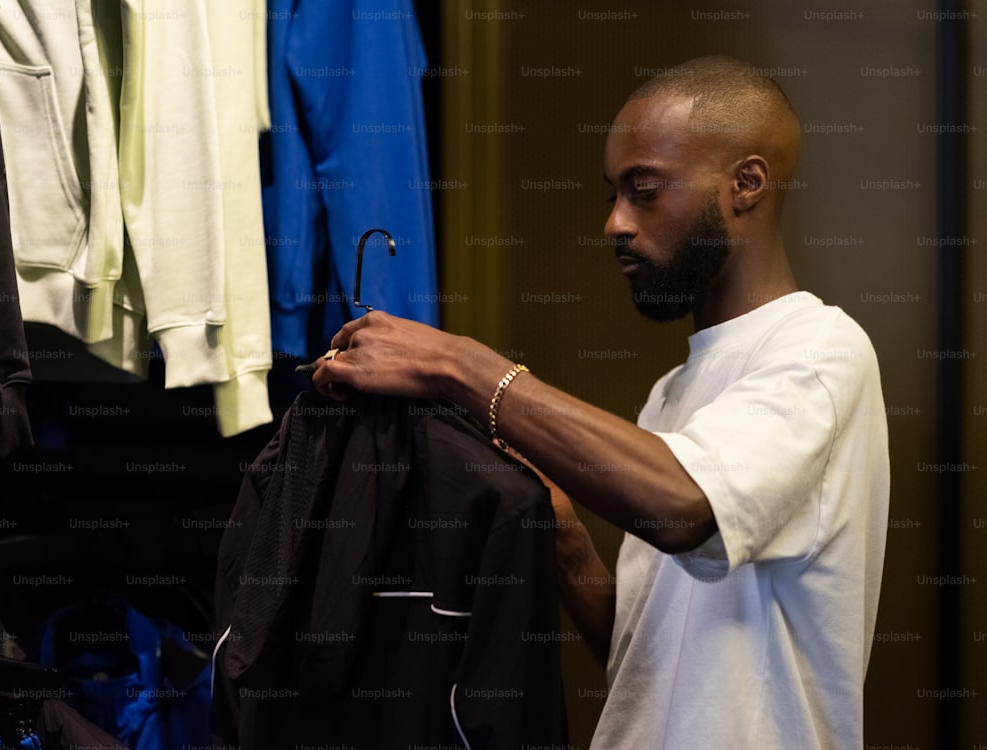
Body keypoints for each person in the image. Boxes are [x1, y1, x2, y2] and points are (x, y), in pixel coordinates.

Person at [310, 56, 890, 749]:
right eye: (613, 194)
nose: (614, 223)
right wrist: (569, 546)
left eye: (644, 191)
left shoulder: (820, 351)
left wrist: (456, 363)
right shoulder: (670, 396)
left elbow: (681, 507)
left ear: (746, 184)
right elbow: (646, 656)